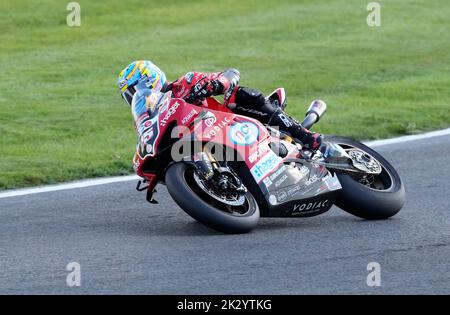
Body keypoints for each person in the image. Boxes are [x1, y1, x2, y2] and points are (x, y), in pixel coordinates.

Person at [117, 60, 323, 150]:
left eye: (135, 90)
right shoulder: (148, 121)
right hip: (203, 145)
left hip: (234, 127)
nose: (135, 96)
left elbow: (231, 74)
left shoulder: (185, 83)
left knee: (238, 95)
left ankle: (306, 136)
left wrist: (216, 84)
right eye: (130, 95)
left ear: (149, 79)